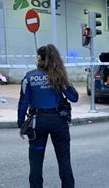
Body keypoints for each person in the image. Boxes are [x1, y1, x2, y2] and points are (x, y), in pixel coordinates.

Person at [17, 44, 79, 188]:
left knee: (36, 162)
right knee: (64, 160)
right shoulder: (58, 76)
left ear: (40, 58)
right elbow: (74, 97)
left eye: (37, 56)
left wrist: (21, 124)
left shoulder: (29, 77)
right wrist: (62, 82)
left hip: (38, 123)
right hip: (58, 122)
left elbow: (23, 103)